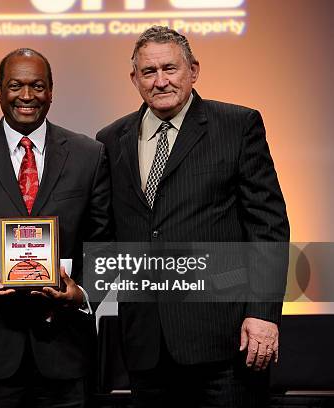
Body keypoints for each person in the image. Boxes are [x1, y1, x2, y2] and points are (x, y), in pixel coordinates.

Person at [96, 26, 289, 407]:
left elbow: (268, 226)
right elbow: (107, 234)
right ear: (134, 78)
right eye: (148, 72)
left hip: (226, 339)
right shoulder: (110, 138)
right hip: (146, 343)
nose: (161, 81)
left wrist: (264, 314)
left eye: (170, 68)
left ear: (193, 70)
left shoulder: (237, 125)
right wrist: (77, 290)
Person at [0, 48, 111, 407]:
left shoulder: (88, 155)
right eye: (16, 85)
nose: (27, 96)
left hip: (66, 349)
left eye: (38, 86)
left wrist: (81, 293)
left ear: (51, 91)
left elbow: (104, 240)